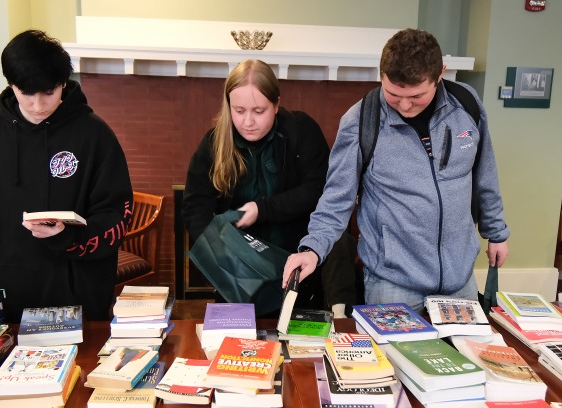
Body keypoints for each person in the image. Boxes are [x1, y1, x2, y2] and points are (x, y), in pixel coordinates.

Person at [283, 28, 510, 314]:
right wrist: (313, 248)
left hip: (459, 278)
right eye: (392, 94)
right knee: (395, 360)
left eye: (416, 96)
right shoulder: (360, 121)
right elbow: (336, 198)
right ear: (381, 75)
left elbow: (484, 173)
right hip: (392, 281)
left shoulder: (466, 105)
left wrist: (496, 232)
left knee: (463, 359)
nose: (404, 105)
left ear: (440, 73)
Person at [0, 30, 133, 323]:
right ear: (11, 85)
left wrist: (68, 237)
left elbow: (116, 214)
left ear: (63, 83)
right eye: (26, 93)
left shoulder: (94, 134)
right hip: (0, 295)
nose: (38, 105)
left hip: (74, 298)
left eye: (49, 92)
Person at [182, 59, 330, 312]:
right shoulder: (214, 142)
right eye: (238, 111)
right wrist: (222, 254)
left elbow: (318, 191)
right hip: (237, 276)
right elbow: (195, 207)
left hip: (295, 268)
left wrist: (263, 209)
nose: (248, 121)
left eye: (259, 111)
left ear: (276, 105)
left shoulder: (301, 130)